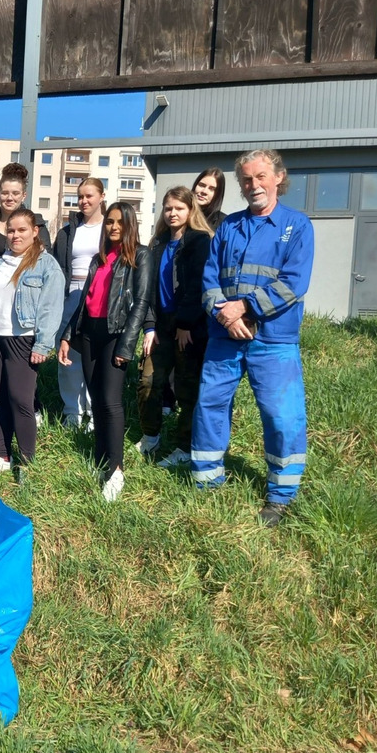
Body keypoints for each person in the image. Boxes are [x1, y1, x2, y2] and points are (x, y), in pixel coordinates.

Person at [191, 149, 314, 527]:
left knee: (281, 416)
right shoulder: (229, 227)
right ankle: (207, 482)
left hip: (274, 340)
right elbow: (210, 278)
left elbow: (294, 282)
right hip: (224, 336)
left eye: (260, 176)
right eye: (246, 179)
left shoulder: (298, 225)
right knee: (210, 406)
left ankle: (280, 495)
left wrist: (243, 308)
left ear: (278, 177)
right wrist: (225, 316)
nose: (253, 185)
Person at [58, 202, 152, 502]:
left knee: (111, 402)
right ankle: (101, 461)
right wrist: (67, 335)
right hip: (89, 333)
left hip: (116, 333)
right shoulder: (99, 259)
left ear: (129, 225)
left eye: (119, 223)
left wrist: (127, 344)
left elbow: (140, 302)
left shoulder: (141, 254)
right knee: (96, 399)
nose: (113, 227)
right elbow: (85, 298)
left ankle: (116, 470)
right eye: (109, 222)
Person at [0, 208, 65, 477]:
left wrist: (43, 344)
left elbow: (51, 307)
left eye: (22, 230)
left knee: (21, 400)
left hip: (23, 341)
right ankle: (2, 455)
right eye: (11, 230)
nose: (15, 235)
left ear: (35, 232)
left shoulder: (46, 265)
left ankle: (26, 460)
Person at [0, 163, 51, 431]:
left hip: (24, 314)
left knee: (22, 372)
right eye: (5, 192)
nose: (9, 197)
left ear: (23, 195)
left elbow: (44, 266)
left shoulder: (37, 227)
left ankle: (30, 412)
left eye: (15, 193)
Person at [135, 187, 214, 468]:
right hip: (161, 326)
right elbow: (148, 289)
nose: (172, 213)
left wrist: (185, 323)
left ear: (190, 210)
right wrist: (149, 326)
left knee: (187, 388)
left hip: (188, 328)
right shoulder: (157, 244)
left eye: (178, 208)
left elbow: (197, 285)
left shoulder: (199, 241)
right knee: (147, 382)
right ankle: (151, 436)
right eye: (168, 208)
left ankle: (184, 446)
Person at [50, 177, 106, 430]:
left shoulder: (110, 227)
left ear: (102, 197)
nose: (83, 201)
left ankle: (94, 414)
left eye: (89, 196)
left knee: (96, 357)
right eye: (80, 196)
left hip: (100, 296)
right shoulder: (68, 231)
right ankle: (72, 411)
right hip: (71, 296)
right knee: (68, 356)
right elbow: (57, 265)